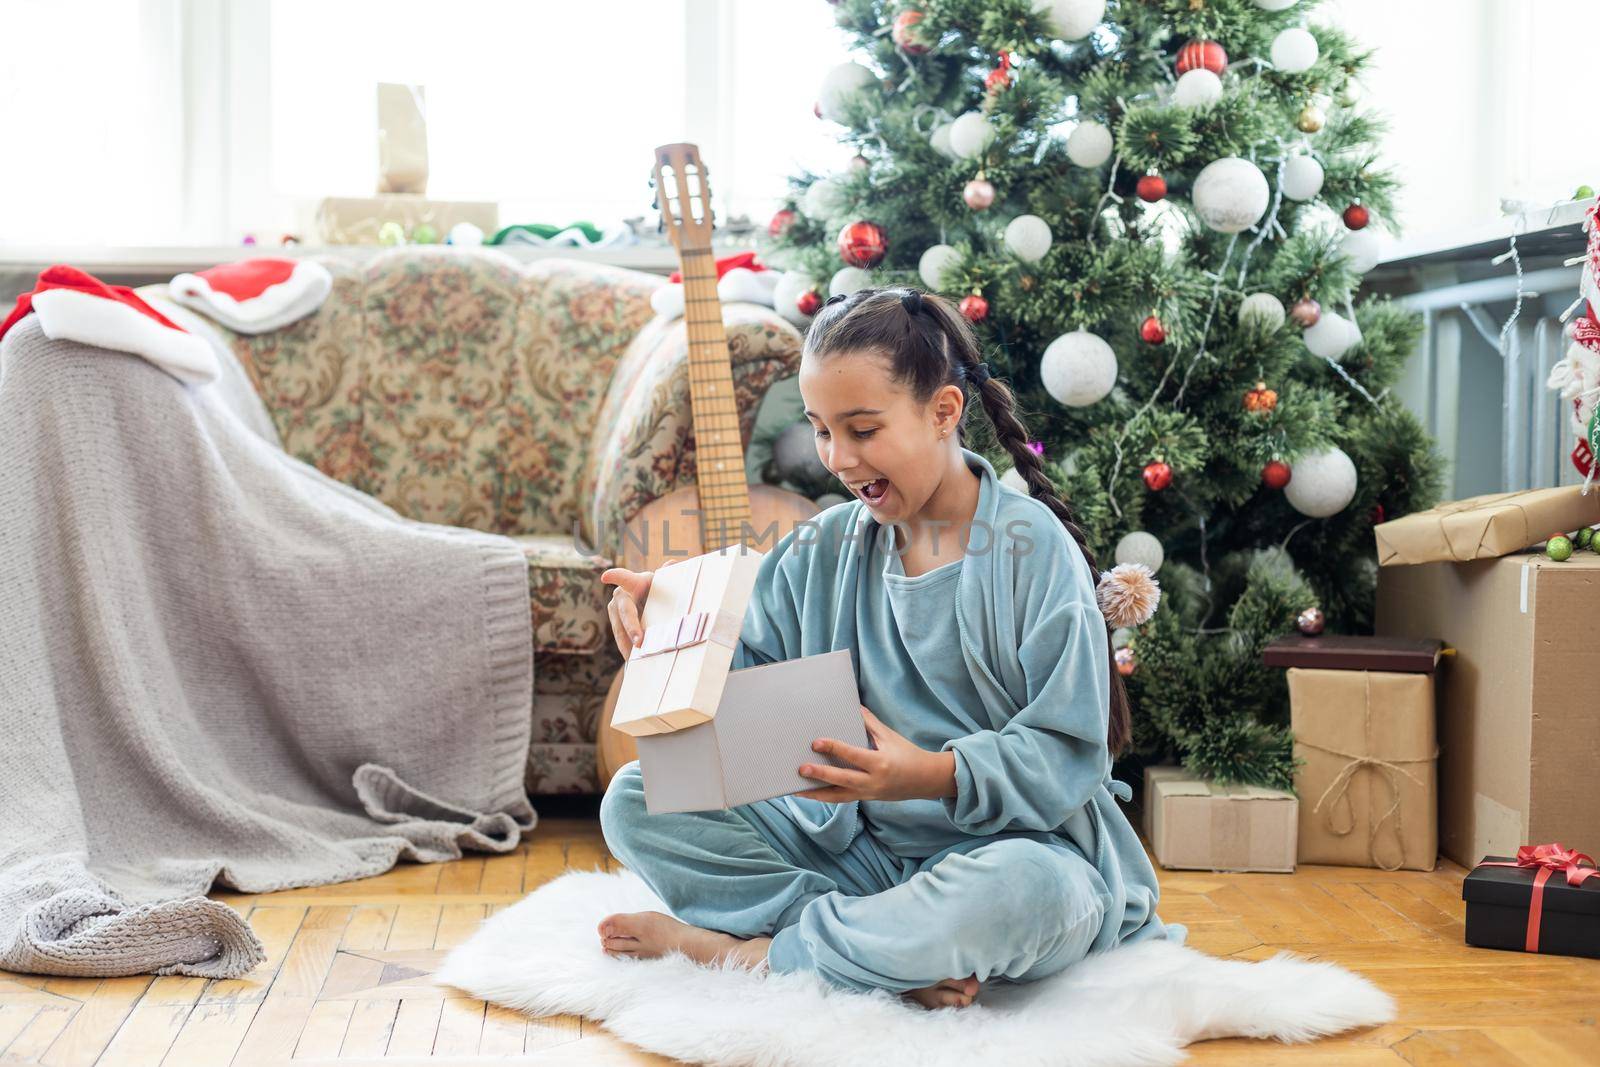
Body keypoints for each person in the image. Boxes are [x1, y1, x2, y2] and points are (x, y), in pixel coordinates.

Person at [595, 287, 1182, 1011]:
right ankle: (881, 947)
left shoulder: (1031, 550)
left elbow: (1070, 750)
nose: (837, 458)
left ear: (943, 411)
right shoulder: (823, 546)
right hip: (857, 858)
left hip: (1016, 854)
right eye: (819, 430)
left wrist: (930, 773)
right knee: (635, 797)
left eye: (863, 429)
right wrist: (676, 626)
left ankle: (763, 956)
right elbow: (741, 702)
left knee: (1022, 894)